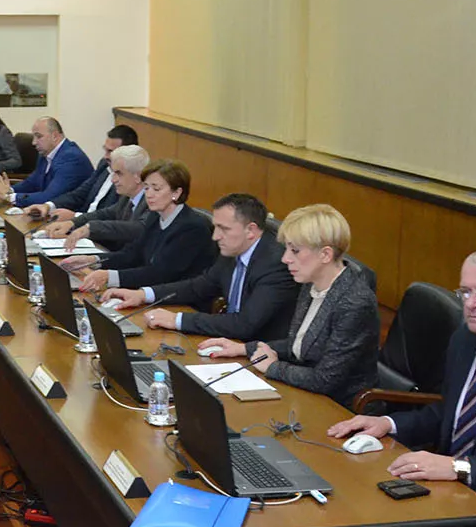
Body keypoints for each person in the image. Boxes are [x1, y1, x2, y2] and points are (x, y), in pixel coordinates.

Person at [329, 247, 476, 527]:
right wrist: (389, 424)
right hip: (447, 494)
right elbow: (449, 415)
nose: (471, 304)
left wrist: (460, 468)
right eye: (465, 292)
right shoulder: (465, 340)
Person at [190, 204, 379, 408]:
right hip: (305, 395)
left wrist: (273, 367)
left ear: (325, 255)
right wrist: (244, 348)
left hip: (341, 409)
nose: (285, 258)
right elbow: (300, 344)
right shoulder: (311, 283)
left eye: (295, 250)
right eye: (287, 248)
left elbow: (325, 380)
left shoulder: (355, 302)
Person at [99, 193, 300, 344]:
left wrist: (177, 320)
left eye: (224, 229)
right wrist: (143, 294)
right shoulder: (233, 249)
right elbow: (199, 286)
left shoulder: (276, 264)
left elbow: (244, 324)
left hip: (260, 355)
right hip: (229, 343)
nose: (215, 236)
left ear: (251, 230)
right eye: (216, 227)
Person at [64, 160, 214, 293]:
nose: (149, 194)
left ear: (177, 192)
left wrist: (109, 276)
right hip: (151, 292)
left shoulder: (192, 228)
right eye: (146, 188)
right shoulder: (155, 216)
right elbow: (131, 255)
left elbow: (161, 274)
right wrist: (92, 260)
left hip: (179, 302)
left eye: (156, 189)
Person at [38, 145, 151, 251]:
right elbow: (103, 214)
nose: (113, 180)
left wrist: (90, 228)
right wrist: (71, 223)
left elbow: (135, 228)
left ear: (138, 176)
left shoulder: (151, 202)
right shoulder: (127, 199)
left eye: (119, 173)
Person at [26, 124, 138, 219]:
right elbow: (80, 194)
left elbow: (113, 217)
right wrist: (48, 206)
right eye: (105, 150)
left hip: (98, 232)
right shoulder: (104, 165)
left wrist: (75, 217)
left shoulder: (131, 180)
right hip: (81, 225)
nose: (106, 156)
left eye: (111, 151)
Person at [0, 116, 93, 208]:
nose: (34, 142)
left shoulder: (71, 158)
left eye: (39, 136)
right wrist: (9, 190)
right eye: (34, 137)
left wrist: (11, 197)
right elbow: (32, 182)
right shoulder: (46, 153)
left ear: (54, 136)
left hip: (71, 215)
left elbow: (49, 197)